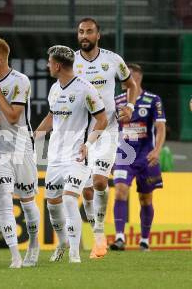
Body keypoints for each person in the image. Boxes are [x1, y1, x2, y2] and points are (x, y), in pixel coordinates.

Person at [74, 17, 139, 259]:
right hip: (78, 131)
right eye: (81, 31)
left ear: (98, 35)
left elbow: (130, 84)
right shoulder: (71, 61)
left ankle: (99, 236)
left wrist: (130, 106)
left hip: (107, 129)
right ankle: (98, 236)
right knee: (87, 190)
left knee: (100, 182)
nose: (84, 36)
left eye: (89, 32)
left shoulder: (113, 60)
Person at [36, 45, 107, 263]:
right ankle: (63, 242)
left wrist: (89, 143)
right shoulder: (54, 89)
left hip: (77, 156)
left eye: (49, 62)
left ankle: (75, 255)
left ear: (57, 65)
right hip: (55, 157)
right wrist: (35, 135)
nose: (48, 65)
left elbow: (102, 119)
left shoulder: (85, 88)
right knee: (52, 205)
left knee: (68, 200)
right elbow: (52, 116)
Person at [0, 37, 41, 268]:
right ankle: (15, 256)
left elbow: (14, 117)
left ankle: (33, 245)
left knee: (27, 201)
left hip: (21, 145)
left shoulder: (20, 81)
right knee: (5, 200)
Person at [110, 63, 166, 251]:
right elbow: (109, 128)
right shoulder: (116, 100)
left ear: (138, 77)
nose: (125, 79)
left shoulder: (153, 99)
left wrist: (157, 150)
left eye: (129, 75)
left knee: (145, 199)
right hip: (124, 154)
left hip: (145, 154)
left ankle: (144, 240)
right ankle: (119, 238)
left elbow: (160, 127)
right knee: (119, 190)